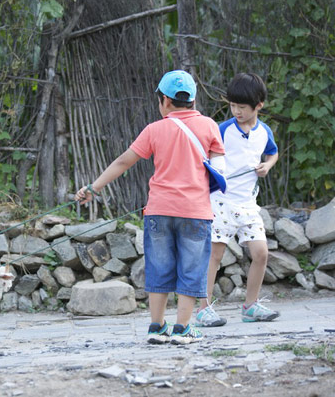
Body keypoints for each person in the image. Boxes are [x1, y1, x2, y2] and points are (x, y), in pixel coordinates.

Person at [76, 70, 225, 344]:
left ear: (164, 101)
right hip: (195, 212)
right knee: (192, 268)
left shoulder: (154, 129)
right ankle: (183, 328)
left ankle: (157, 327)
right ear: (193, 101)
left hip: (158, 211)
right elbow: (219, 169)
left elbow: (123, 162)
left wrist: (93, 188)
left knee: (159, 266)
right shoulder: (209, 126)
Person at [195, 72, 280, 327]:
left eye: (241, 107)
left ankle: (250, 306)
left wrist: (267, 166)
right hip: (221, 201)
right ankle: (203, 308)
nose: (236, 111)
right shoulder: (222, 129)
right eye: (232, 106)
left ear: (259, 106)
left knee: (261, 253)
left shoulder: (264, 132)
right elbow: (205, 156)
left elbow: (273, 153)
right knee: (214, 255)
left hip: (248, 204)